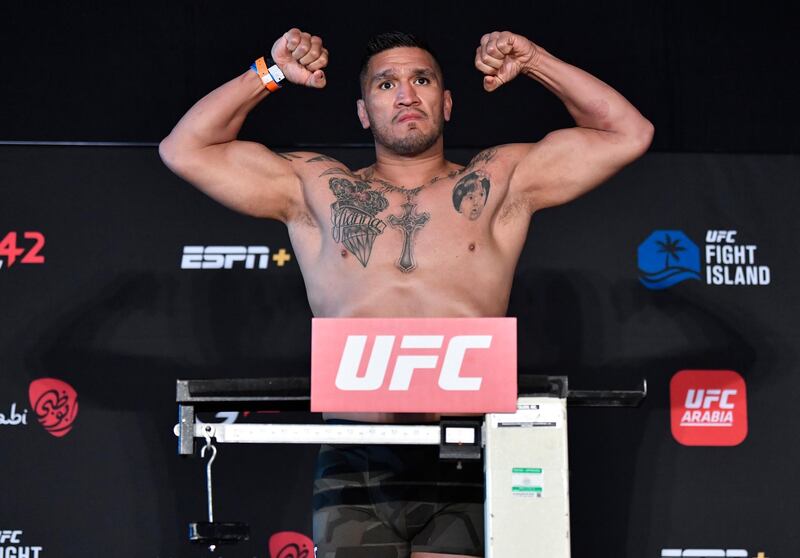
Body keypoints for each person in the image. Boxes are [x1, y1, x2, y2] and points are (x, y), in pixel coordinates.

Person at [159, 27, 653, 558]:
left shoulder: (497, 183)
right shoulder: (316, 190)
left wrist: (534, 60)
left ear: (446, 102)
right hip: (355, 453)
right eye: (385, 84)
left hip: (465, 447)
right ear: (364, 111)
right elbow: (185, 148)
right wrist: (271, 72)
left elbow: (627, 132)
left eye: (421, 80)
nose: (405, 94)